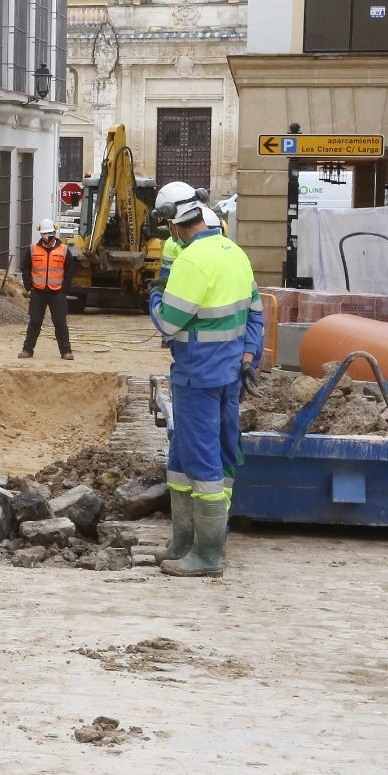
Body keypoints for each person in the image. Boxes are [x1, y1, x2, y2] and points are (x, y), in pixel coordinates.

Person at [148, 184, 263, 578]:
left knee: (201, 458)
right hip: (228, 371)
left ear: (176, 225)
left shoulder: (192, 261)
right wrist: (249, 358)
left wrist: (154, 299)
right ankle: (183, 542)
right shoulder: (235, 253)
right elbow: (254, 312)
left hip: (198, 371)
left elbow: (168, 321)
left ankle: (207, 553)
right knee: (182, 458)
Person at [19, 219, 74, 360]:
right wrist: (28, 285)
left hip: (57, 292)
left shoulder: (64, 250)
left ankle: (66, 352)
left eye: (49, 233)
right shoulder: (33, 249)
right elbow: (25, 267)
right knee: (35, 321)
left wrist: (65, 288)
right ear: (41, 234)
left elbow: (70, 270)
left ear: (55, 233)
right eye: (44, 233)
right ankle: (27, 350)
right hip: (38, 292)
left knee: (60, 322)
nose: (47, 236)